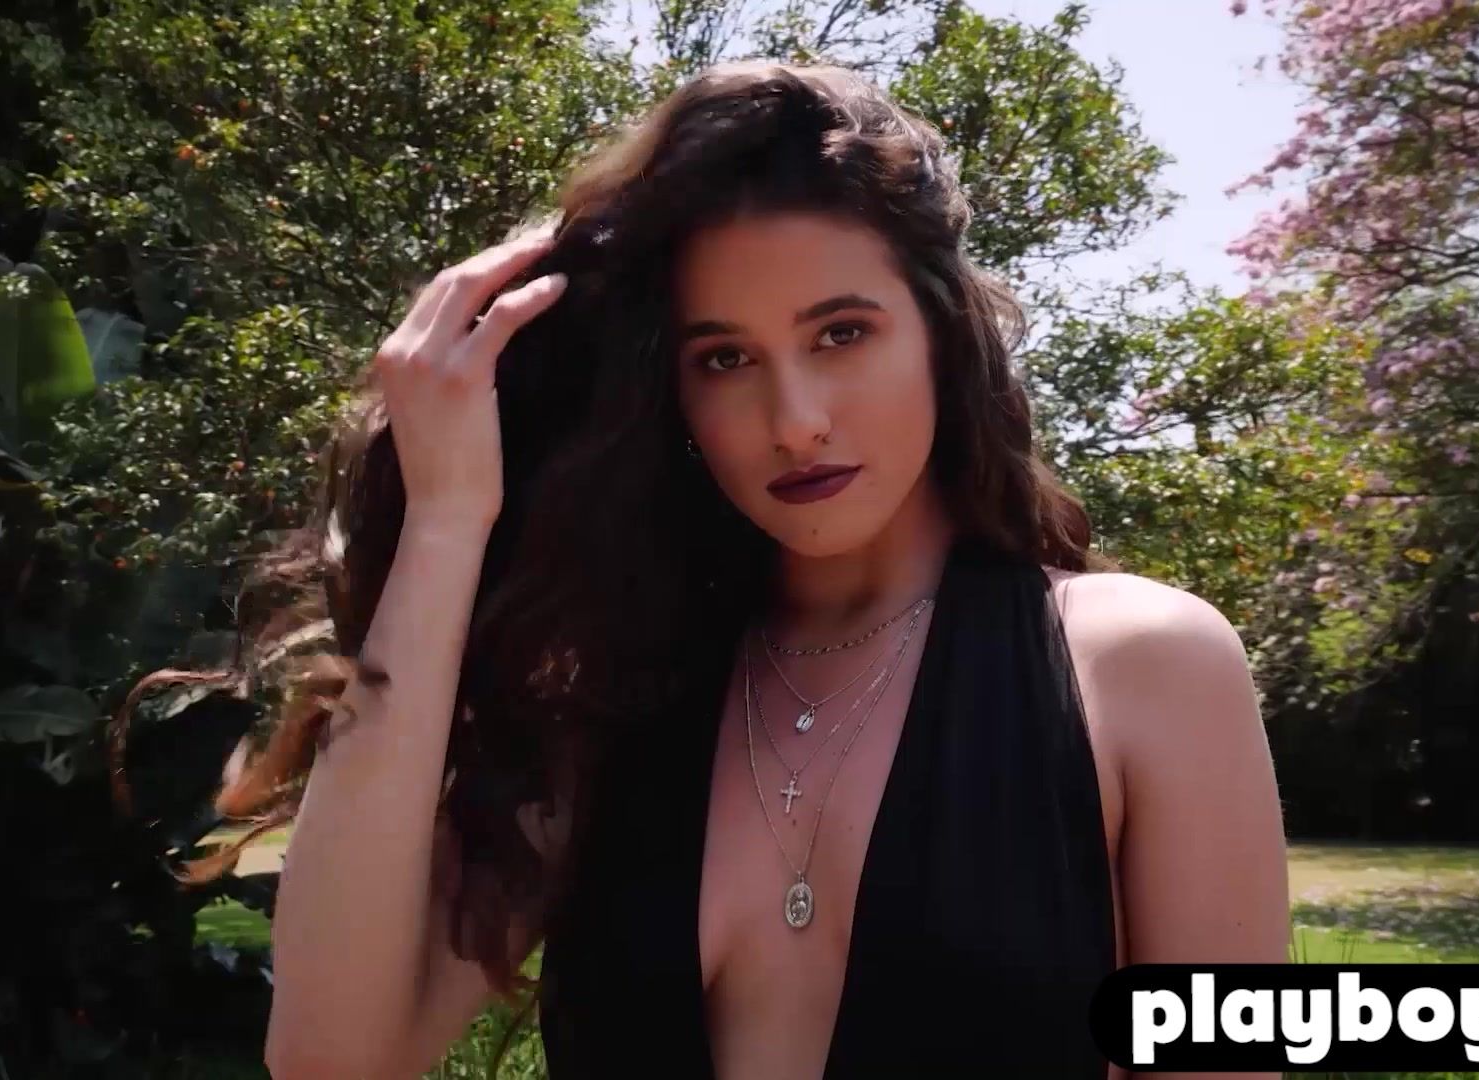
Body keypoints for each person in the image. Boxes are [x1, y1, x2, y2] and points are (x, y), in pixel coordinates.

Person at [175, 60, 1288, 1078]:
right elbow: (330, 1057)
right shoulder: (611, 707)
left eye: (841, 334)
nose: (794, 421)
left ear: (942, 336)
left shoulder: (1141, 668)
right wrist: (446, 518)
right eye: (724, 358)